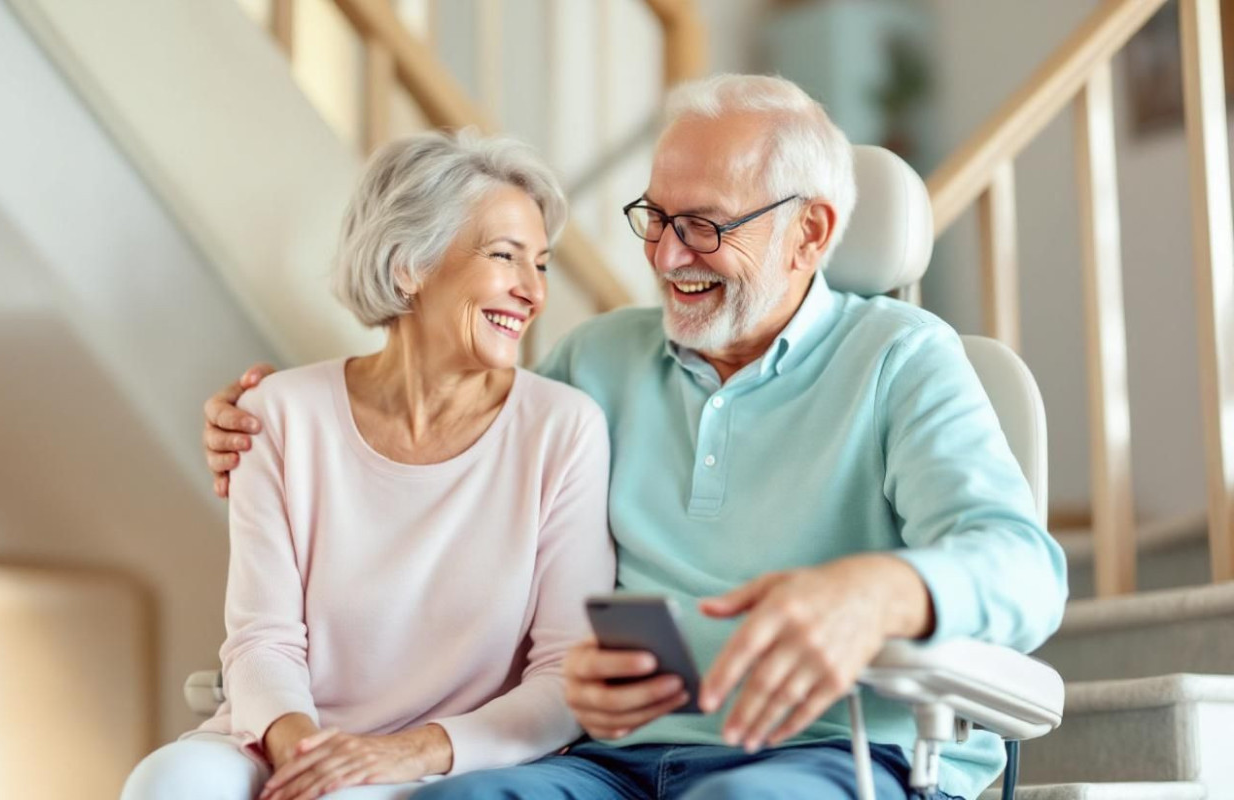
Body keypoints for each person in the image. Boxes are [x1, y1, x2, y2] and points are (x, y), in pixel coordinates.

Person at [203, 75, 1068, 800]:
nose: (665, 256)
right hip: (607, 764)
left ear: (809, 234)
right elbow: (438, 447)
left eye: (706, 225)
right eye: (655, 217)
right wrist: (263, 428)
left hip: (833, 755)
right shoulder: (596, 361)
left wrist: (877, 592)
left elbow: (1025, 571)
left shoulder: (903, 360)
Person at [123, 130, 617, 800]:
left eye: (542, 264)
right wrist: (307, 756)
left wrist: (399, 755)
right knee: (169, 782)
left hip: (445, 765)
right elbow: (261, 642)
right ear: (408, 265)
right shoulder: (278, 414)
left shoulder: (563, 429)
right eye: (506, 257)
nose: (533, 291)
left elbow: (565, 675)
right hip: (286, 739)